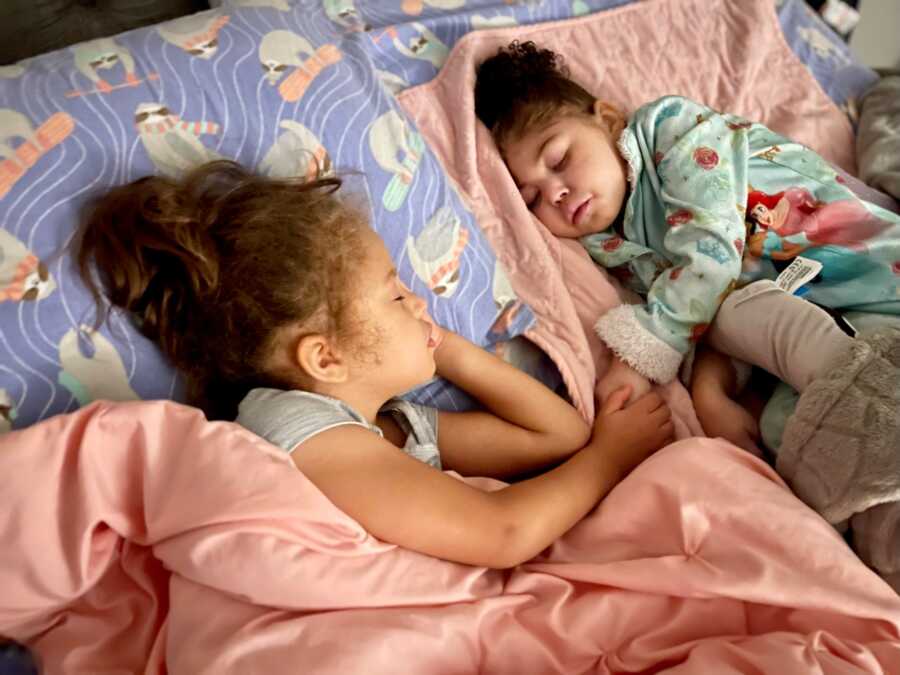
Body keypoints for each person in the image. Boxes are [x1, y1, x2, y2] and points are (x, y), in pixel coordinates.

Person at [76, 160, 675, 569]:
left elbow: (558, 437)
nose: (418, 301)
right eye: (395, 294)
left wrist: (444, 346)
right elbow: (502, 532)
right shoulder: (290, 433)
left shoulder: (388, 428)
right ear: (326, 357)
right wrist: (609, 461)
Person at [474, 41, 900, 453]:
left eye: (559, 160)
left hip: (877, 271)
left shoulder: (673, 131)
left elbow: (712, 258)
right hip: (834, 322)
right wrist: (710, 393)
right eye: (532, 199)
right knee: (789, 433)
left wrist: (639, 353)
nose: (556, 194)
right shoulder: (612, 249)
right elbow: (719, 312)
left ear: (606, 120)